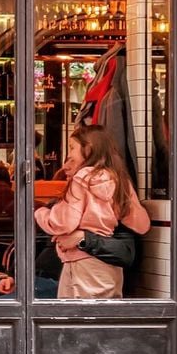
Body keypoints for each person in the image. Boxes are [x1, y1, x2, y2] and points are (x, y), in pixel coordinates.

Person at [34, 124, 150, 299]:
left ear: (88, 149)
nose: (69, 154)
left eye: (72, 147)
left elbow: (62, 223)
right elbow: (141, 224)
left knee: (73, 319)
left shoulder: (82, 177)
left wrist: (40, 213)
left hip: (82, 264)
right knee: (102, 319)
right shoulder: (118, 179)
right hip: (109, 270)